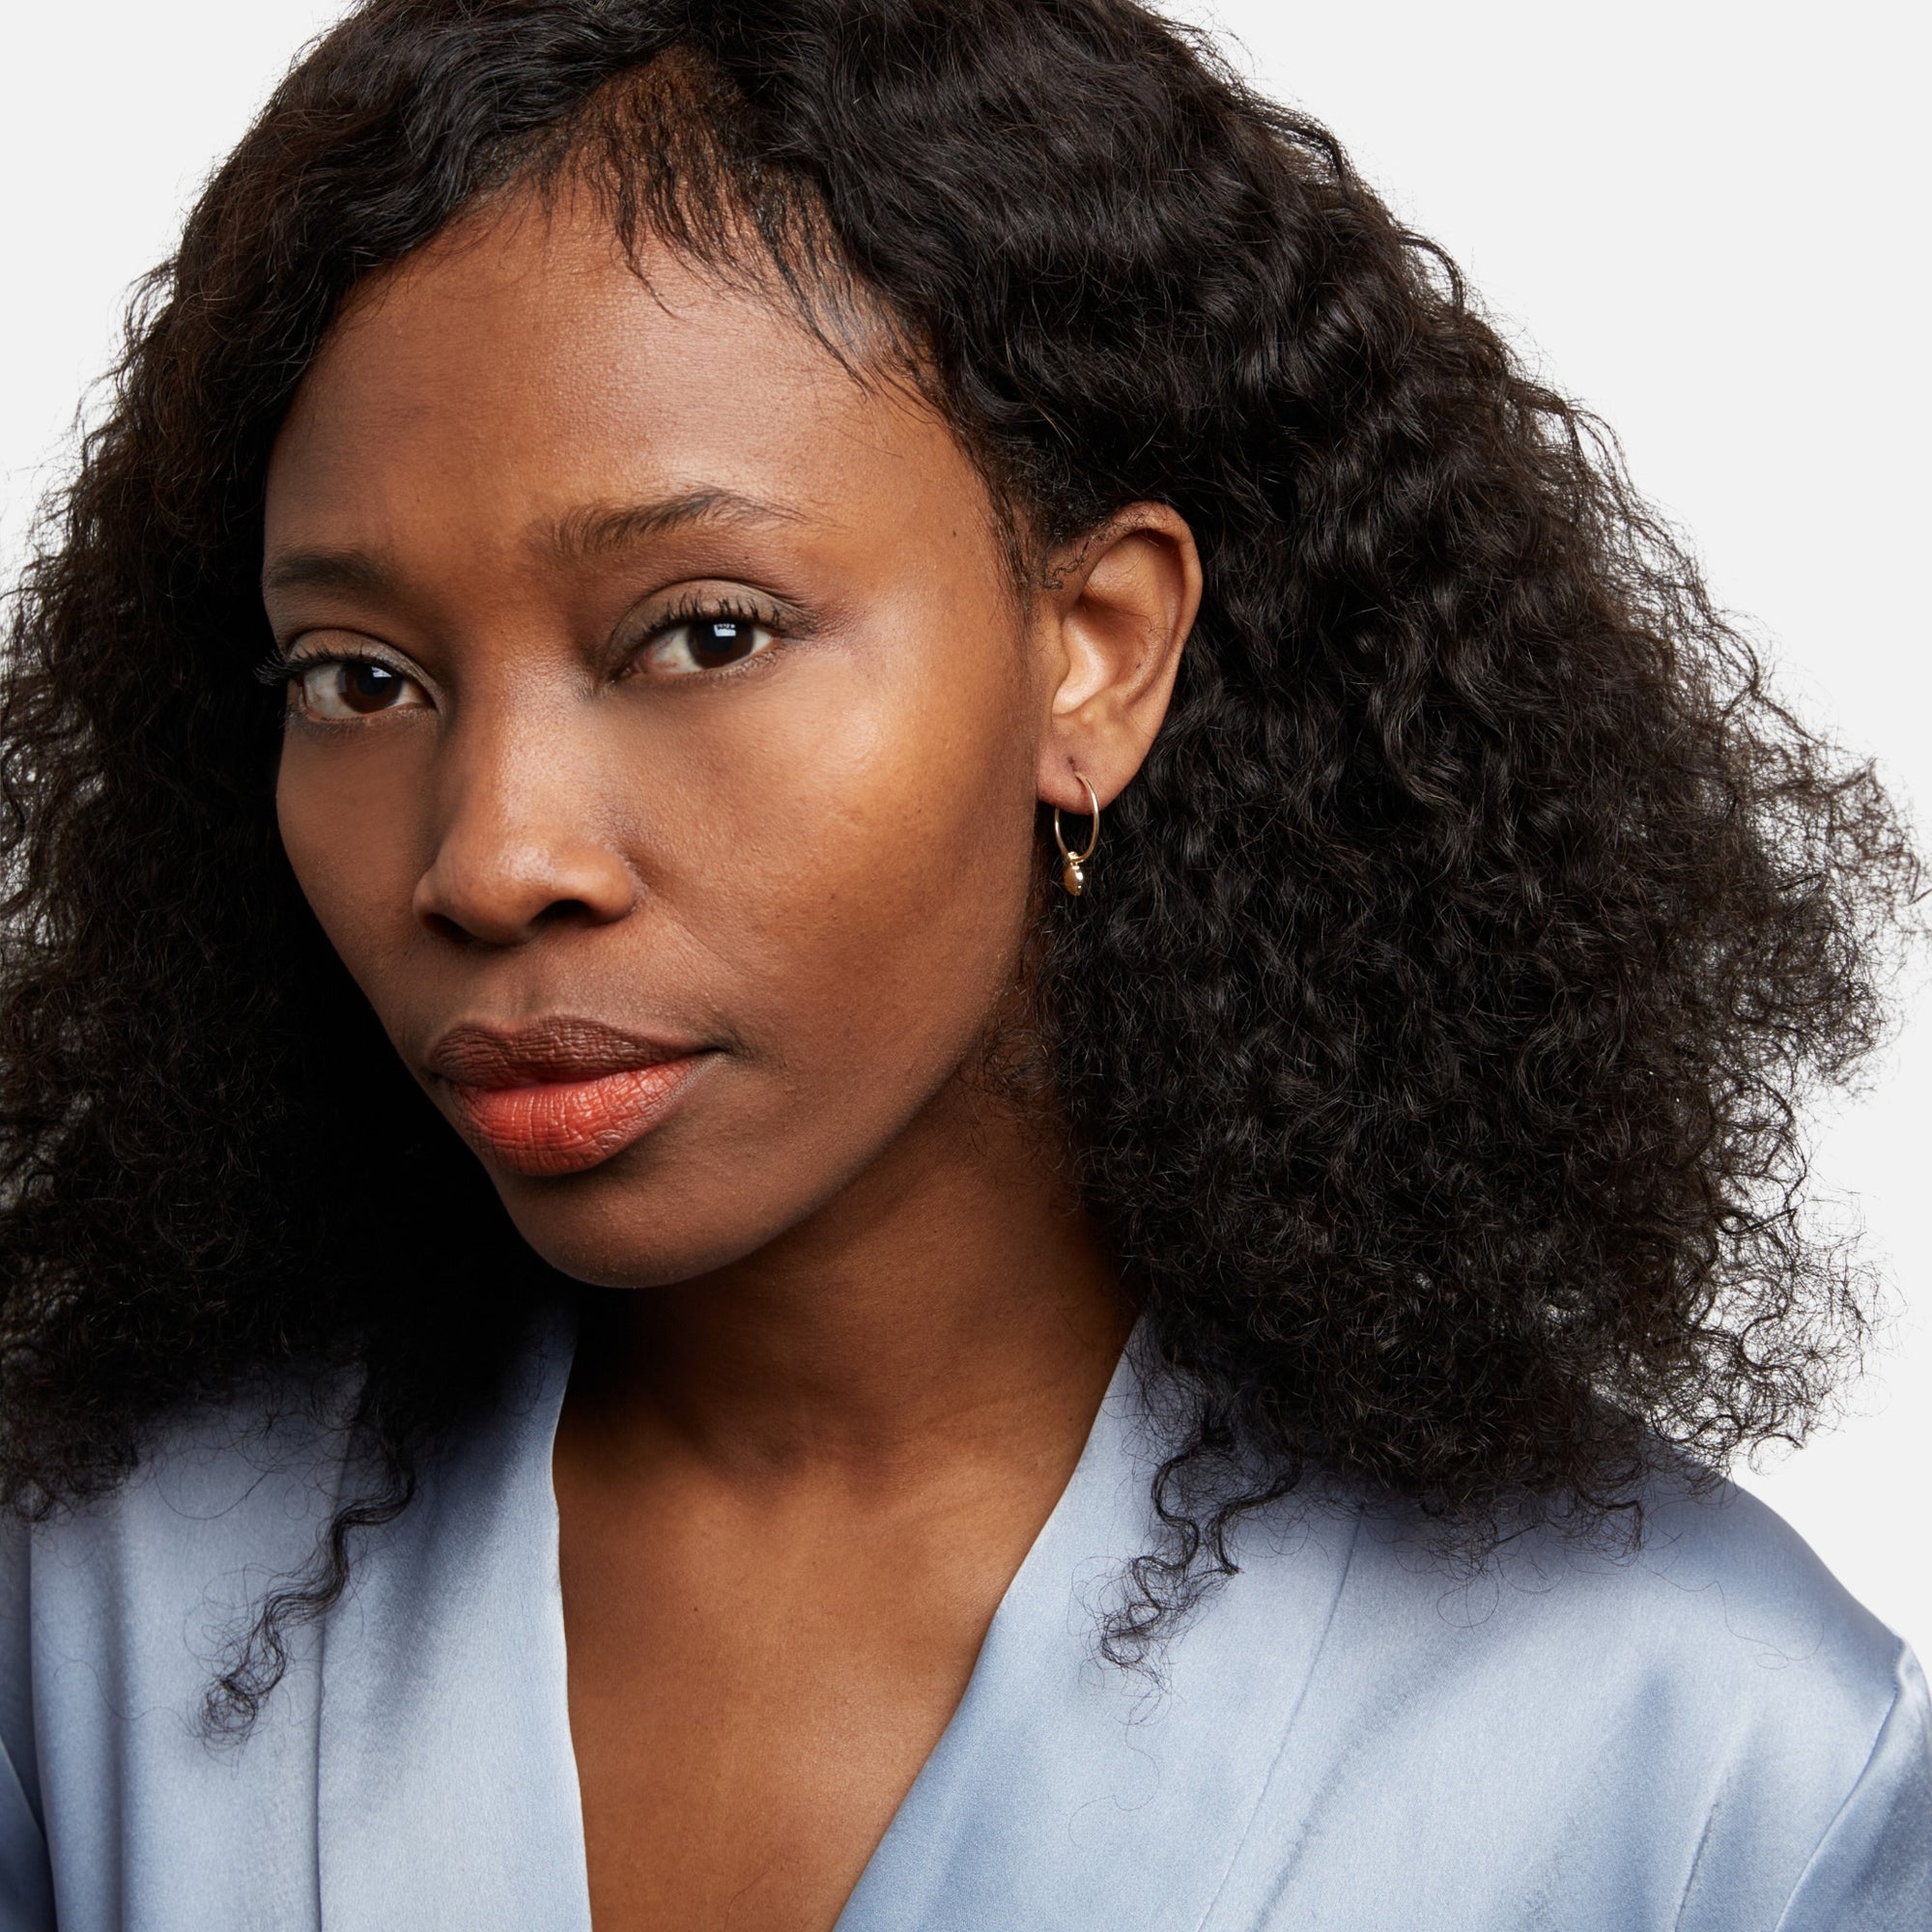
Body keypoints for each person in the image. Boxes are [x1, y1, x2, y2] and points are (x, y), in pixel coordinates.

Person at [0, 1, 1925, 1925]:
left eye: (703, 634)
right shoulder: (83, 1604)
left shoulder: (1707, 1760)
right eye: (360, 678)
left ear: (1094, 648)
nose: (493, 855)